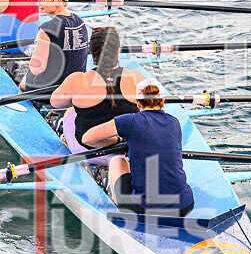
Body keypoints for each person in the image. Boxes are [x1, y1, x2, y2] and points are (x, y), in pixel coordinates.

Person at [82, 79, 194, 216]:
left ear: (137, 102)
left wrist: (117, 140)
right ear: (163, 102)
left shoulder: (130, 121)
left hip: (144, 210)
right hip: (185, 206)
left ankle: (120, 207)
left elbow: (87, 139)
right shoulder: (174, 122)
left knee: (117, 160)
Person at [50, 26, 147, 153]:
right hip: (127, 150)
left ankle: (64, 136)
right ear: (118, 51)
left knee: (70, 111)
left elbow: (55, 103)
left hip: (89, 150)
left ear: (91, 53)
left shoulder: (76, 80)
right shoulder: (137, 78)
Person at [19, 0, 88, 92]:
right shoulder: (80, 21)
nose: (38, 3)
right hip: (75, 85)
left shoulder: (47, 29)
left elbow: (36, 68)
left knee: (23, 80)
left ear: (58, 1)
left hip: (52, 90)